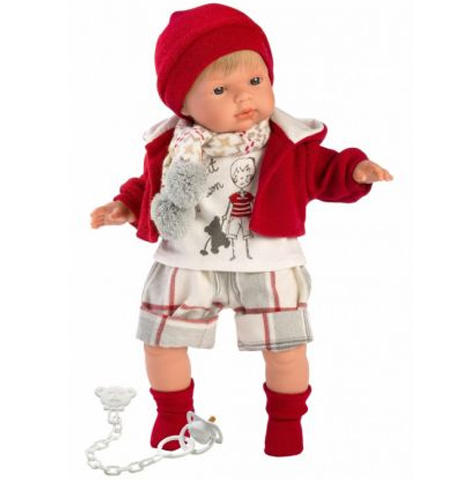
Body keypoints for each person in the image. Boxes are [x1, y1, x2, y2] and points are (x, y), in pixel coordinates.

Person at [90, 3, 393, 457]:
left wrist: (355, 171)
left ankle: (286, 423)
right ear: (183, 103)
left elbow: (326, 168)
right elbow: (150, 187)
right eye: (220, 89)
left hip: (268, 261)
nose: (244, 97)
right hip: (187, 261)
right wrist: (126, 206)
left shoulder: (288, 144)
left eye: (255, 80)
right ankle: (172, 417)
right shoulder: (175, 147)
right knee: (160, 342)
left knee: (287, 350)